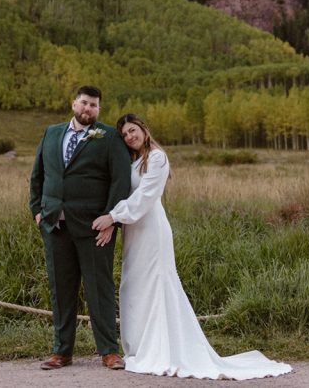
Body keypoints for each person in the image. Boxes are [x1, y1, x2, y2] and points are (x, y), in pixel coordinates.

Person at [91, 113, 293, 379]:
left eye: (133, 130)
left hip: (152, 230)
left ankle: (161, 349)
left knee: (156, 286)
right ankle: (139, 348)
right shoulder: (134, 161)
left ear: (143, 129)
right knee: (134, 286)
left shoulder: (157, 158)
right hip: (133, 232)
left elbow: (145, 196)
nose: (130, 136)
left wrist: (113, 216)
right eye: (125, 134)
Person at [29, 85, 133, 370]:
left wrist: (112, 218)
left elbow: (120, 181)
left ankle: (109, 351)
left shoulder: (109, 137)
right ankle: (61, 351)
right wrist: (37, 211)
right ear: (74, 103)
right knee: (61, 289)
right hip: (55, 224)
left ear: (98, 110)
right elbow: (38, 174)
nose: (88, 109)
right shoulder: (51, 133)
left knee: (99, 287)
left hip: (94, 227)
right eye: (84, 103)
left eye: (94, 105)